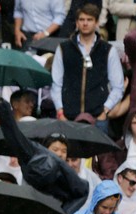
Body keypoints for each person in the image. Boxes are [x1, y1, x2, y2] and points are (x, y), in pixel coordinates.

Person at [51, 4, 124, 132]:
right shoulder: (63, 48)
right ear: (77, 23)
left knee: (99, 153)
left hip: (98, 118)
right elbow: (56, 83)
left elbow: (118, 86)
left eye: (89, 20)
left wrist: (105, 110)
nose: (85, 23)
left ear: (96, 23)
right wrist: (60, 111)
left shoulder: (107, 50)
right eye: (82, 20)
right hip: (68, 117)